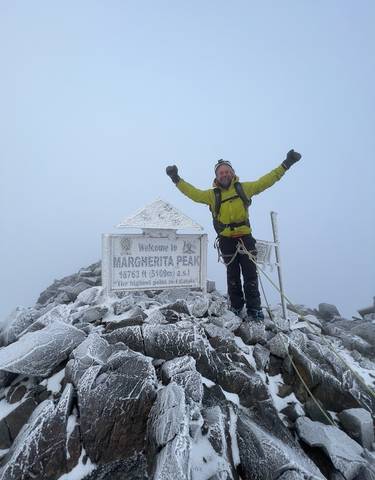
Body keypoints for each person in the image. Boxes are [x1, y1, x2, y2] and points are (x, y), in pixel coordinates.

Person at [166, 150, 301, 322]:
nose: (225, 174)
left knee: (251, 274)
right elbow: (192, 193)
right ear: (217, 176)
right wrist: (176, 179)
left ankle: (254, 309)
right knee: (233, 275)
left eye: (227, 171)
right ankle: (236, 307)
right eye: (221, 172)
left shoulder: (244, 188)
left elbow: (267, 180)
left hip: (245, 237)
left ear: (233, 173)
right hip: (226, 240)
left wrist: (286, 164)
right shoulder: (212, 195)